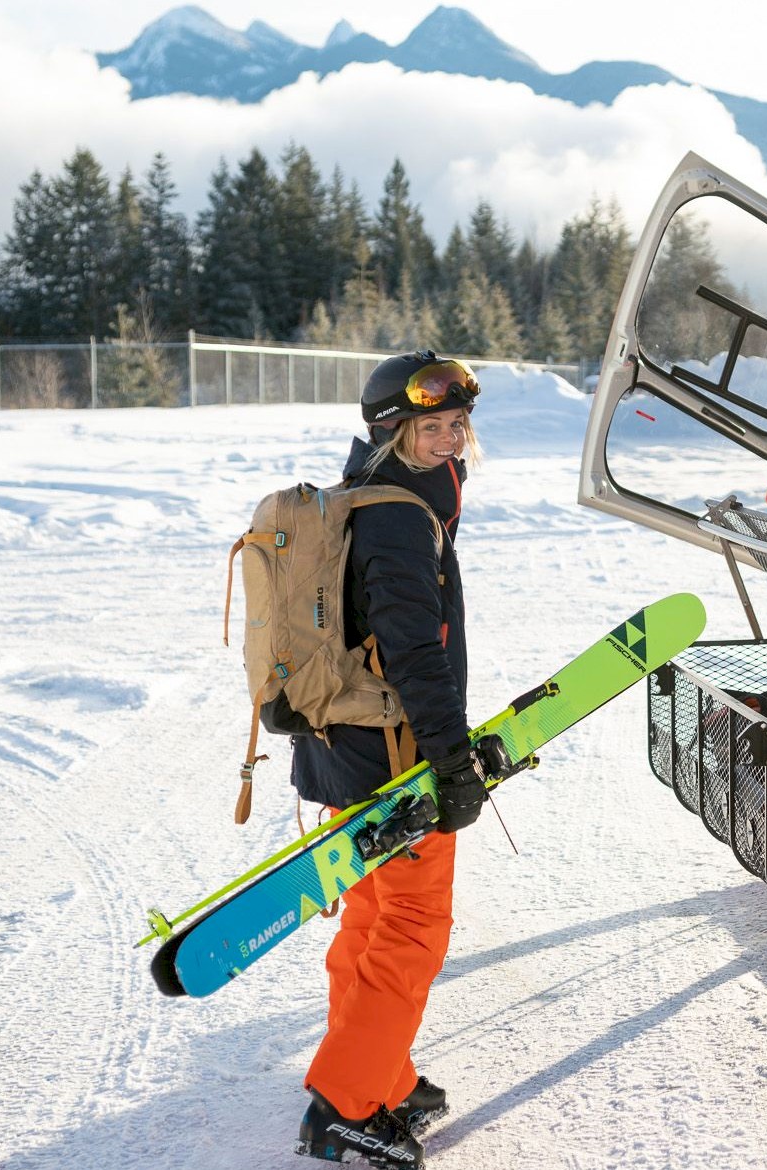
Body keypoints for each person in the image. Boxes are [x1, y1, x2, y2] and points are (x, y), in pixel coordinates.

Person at [292, 350, 490, 1168]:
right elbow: (416, 654)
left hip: (344, 751)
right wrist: (451, 764)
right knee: (412, 926)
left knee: (374, 919)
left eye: (455, 426)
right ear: (389, 432)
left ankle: (376, 1072)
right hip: (397, 759)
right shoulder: (401, 515)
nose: (447, 441)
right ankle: (345, 1104)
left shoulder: (360, 499)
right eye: (428, 428)